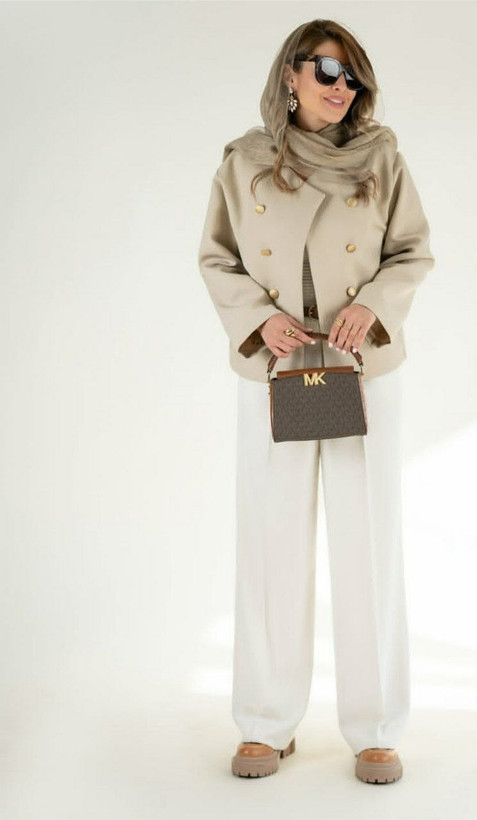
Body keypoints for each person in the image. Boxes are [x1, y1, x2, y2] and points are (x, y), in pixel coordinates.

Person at [197, 18, 434, 783]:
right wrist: (255, 319)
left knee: (368, 541)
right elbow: (217, 257)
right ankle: (266, 721)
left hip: (359, 365)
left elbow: (412, 250)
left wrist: (372, 304)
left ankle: (375, 726)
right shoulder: (243, 162)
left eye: (351, 76)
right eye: (327, 71)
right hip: (278, 365)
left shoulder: (380, 156)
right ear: (290, 75)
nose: (341, 88)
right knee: (272, 541)